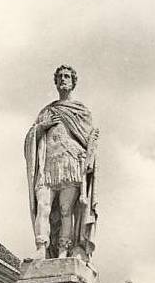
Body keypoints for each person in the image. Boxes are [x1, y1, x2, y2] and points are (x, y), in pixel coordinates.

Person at [24, 65, 99, 260]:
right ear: (56, 82)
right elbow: (30, 138)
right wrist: (42, 127)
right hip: (48, 166)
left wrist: (87, 161)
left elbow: (89, 142)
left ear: (73, 82)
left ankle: (64, 251)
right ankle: (41, 246)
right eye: (60, 77)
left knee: (66, 210)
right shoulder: (47, 112)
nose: (63, 80)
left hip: (70, 164)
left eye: (67, 77)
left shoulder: (81, 111)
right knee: (43, 206)